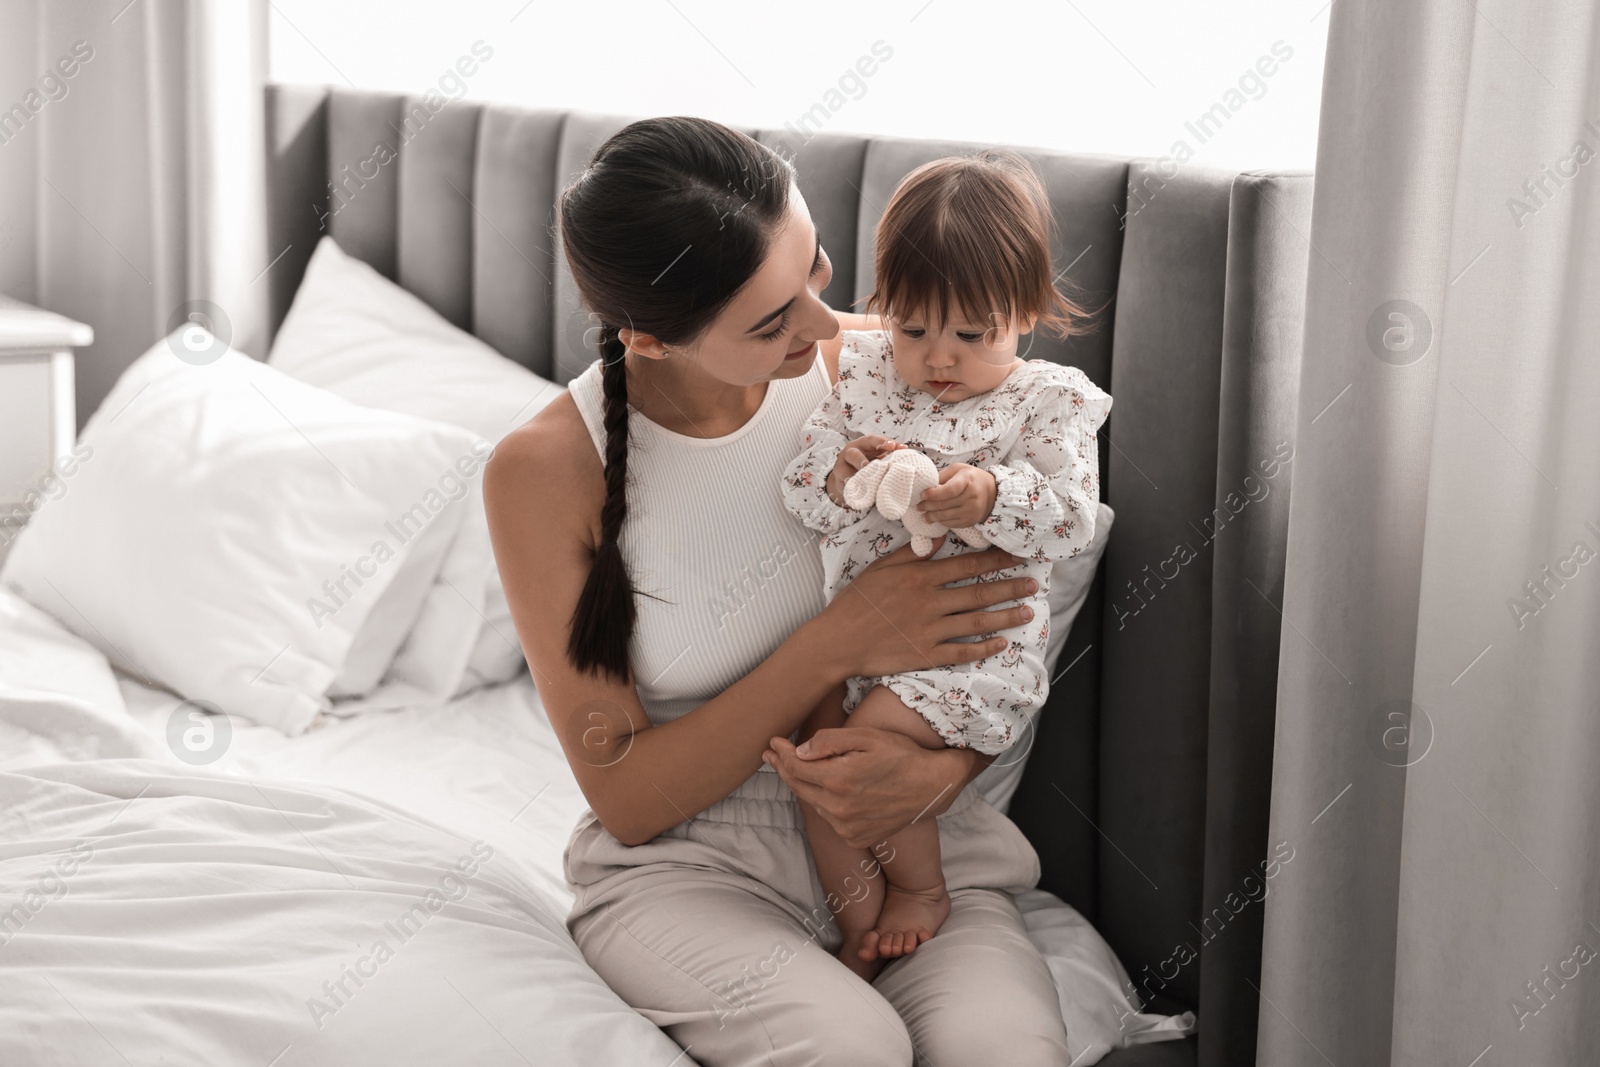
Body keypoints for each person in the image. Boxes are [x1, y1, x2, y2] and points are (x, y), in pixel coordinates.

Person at [484, 115, 1071, 1065]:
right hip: (690, 864)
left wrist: (937, 776)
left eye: (817, 268)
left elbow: (1007, 608)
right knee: (848, 1049)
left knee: (1001, 1049)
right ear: (652, 339)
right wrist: (841, 639)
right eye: (770, 320)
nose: (825, 325)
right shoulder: (546, 469)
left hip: (913, 835)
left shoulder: (906, 365)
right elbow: (627, 795)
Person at [781, 152, 1111, 978]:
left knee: (855, 763)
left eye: (972, 334)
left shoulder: (1047, 400)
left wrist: (993, 493)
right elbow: (802, 494)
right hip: (864, 645)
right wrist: (841, 471)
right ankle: (857, 928)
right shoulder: (861, 378)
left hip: (970, 652)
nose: (939, 359)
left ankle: (922, 889)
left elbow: (1071, 518)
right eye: (914, 328)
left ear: (1025, 314)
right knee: (820, 777)